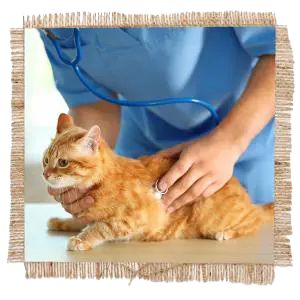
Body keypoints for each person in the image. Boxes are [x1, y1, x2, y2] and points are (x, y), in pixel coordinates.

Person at [39, 27, 275, 221]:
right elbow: (92, 103)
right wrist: (88, 177)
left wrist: (230, 141)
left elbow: (282, 49)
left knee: (242, 238)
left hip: (247, 134)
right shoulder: (50, 22)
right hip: (141, 142)